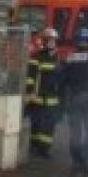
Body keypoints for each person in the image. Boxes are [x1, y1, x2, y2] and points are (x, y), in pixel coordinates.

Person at [60, 28, 88, 175]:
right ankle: (84, 156)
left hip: (74, 99)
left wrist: (65, 100)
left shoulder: (70, 58)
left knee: (75, 132)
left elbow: (63, 80)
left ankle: (75, 161)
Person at [25, 28, 62, 158]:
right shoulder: (37, 56)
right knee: (37, 122)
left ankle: (44, 149)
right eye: (49, 41)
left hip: (52, 97)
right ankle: (34, 145)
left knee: (49, 124)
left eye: (54, 41)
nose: (52, 43)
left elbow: (61, 78)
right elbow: (30, 76)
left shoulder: (58, 57)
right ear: (45, 41)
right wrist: (30, 92)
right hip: (38, 96)